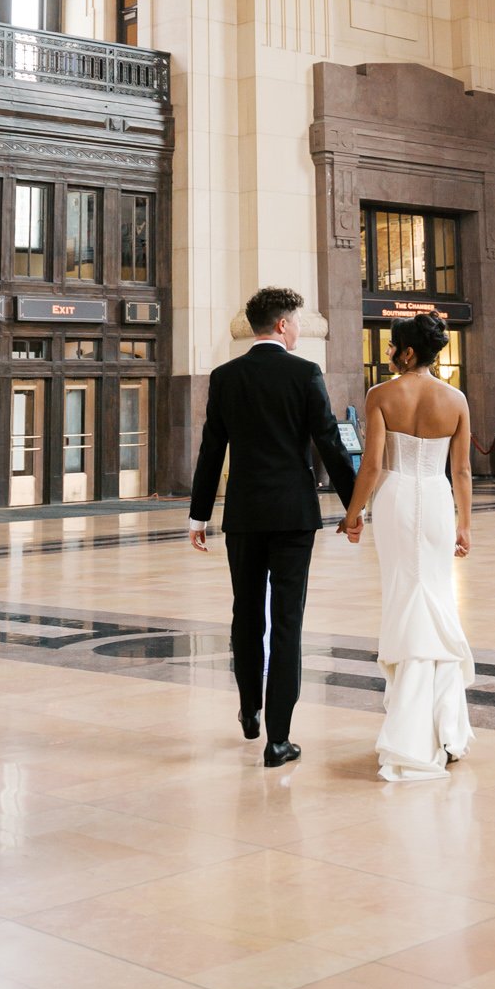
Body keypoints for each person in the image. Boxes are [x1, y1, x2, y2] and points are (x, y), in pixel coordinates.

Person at [188, 286, 356, 768]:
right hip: (293, 517)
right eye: (297, 322)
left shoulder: (225, 376)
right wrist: (353, 507)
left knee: (246, 614)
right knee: (287, 622)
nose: (299, 329)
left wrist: (200, 513)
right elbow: (328, 442)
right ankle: (278, 739)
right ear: (282, 325)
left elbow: (211, 449)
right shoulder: (304, 373)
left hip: (242, 515)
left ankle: (249, 709)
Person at [342, 312, 475, 782]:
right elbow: (461, 472)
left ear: (409, 351)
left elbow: (372, 466)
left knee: (404, 596)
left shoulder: (381, 395)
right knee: (434, 595)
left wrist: (353, 514)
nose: (390, 355)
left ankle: (411, 726)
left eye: (393, 346)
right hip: (438, 500)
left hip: (397, 500)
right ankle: (446, 730)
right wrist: (465, 524)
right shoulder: (455, 399)